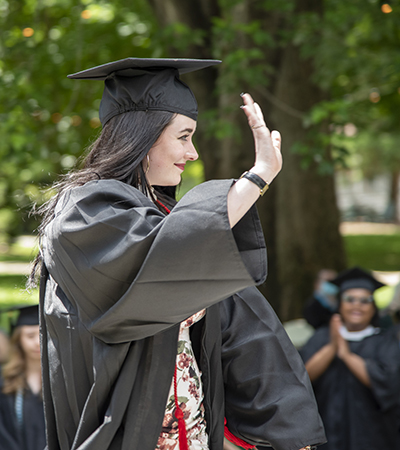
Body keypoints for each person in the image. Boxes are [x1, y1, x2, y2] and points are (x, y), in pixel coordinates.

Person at [31, 57, 326, 450]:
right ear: (143, 136)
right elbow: (163, 255)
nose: (194, 153)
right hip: (125, 434)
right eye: (184, 136)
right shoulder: (83, 213)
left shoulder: (161, 214)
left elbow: (245, 326)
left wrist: (282, 426)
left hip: (192, 433)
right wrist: (256, 178)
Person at [300, 266, 400, 450]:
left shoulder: (384, 341)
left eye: (365, 300)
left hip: (371, 437)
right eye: (350, 299)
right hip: (326, 435)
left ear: (373, 307)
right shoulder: (322, 337)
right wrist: (332, 346)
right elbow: (301, 377)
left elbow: (388, 383)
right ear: (340, 304)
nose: (357, 305)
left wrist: (346, 354)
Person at [0, 304, 46, 450]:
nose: (37, 342)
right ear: (18, 339)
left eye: (41, 334)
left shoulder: (62, 380)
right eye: (30, 336)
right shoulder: (6, 381)